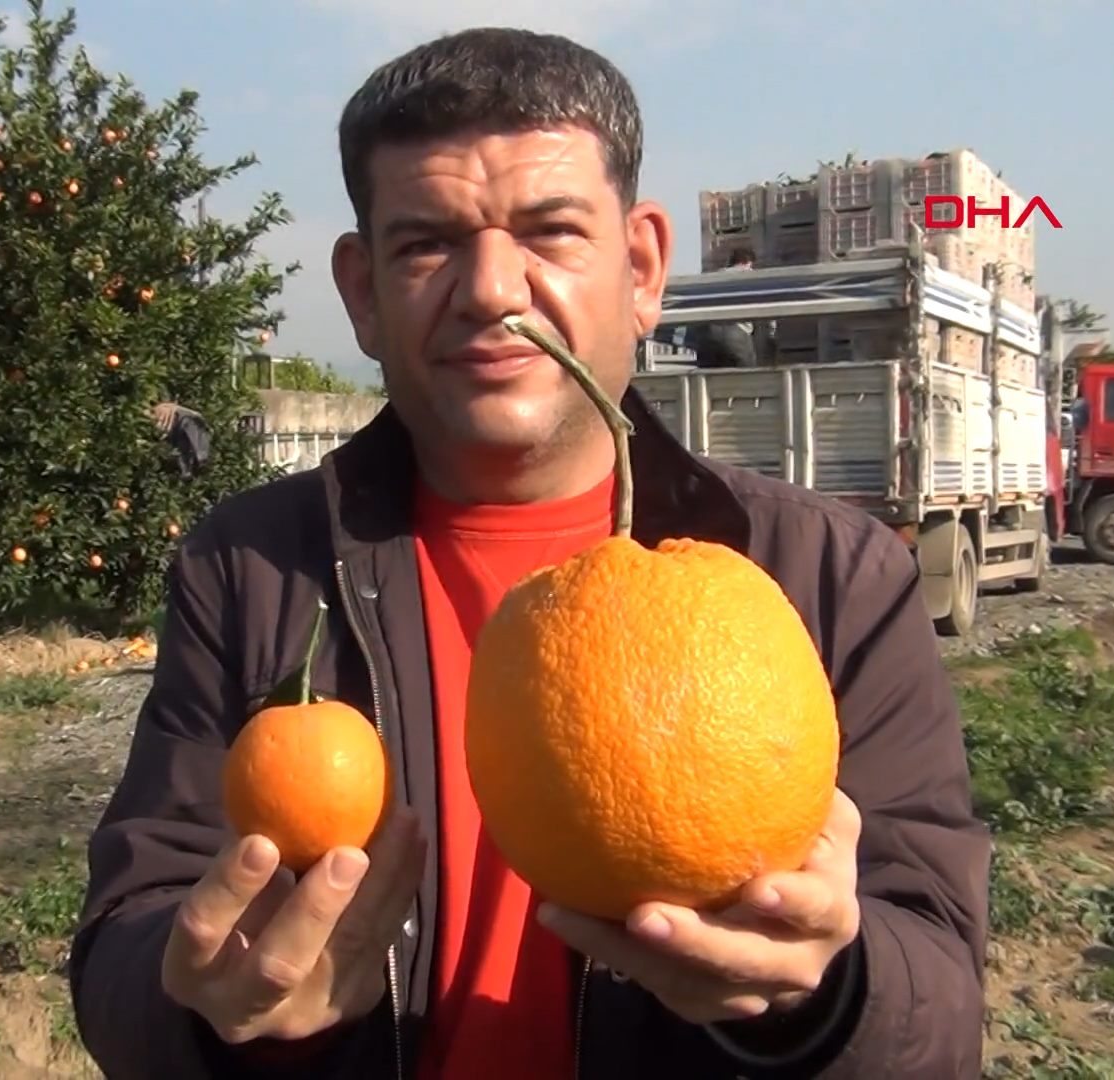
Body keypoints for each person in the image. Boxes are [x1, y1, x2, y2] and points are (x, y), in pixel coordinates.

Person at [68, 26, 990, 1080]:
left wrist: (816, 997)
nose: (493, 290)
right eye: (427, 245)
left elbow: (939, 1000)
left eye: (550, 233)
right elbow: (132, 933)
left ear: (641, 268)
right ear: (363, 292)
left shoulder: (830, 575)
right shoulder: (250, 568)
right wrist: (213, 1006)